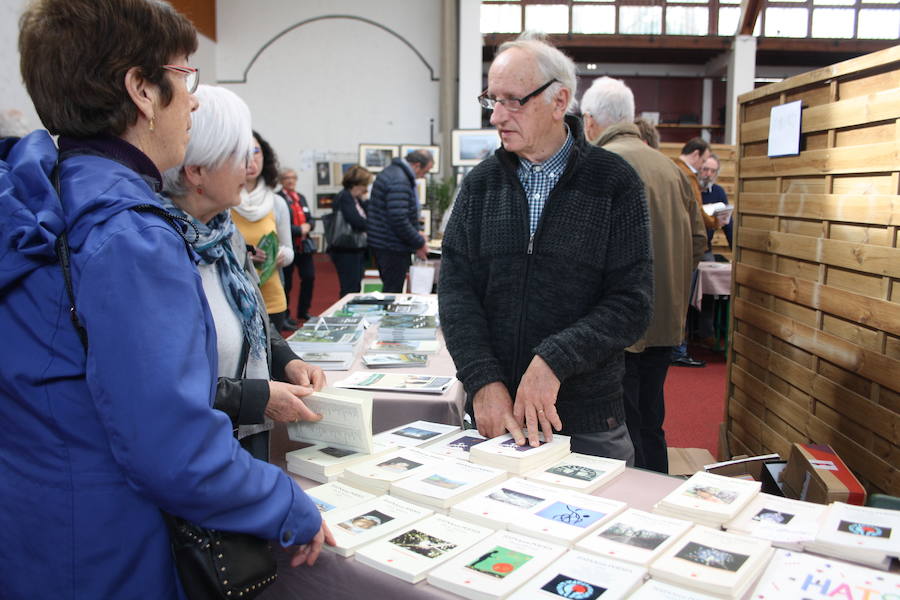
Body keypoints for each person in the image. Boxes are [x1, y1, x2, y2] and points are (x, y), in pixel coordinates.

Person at [0, 2, 331, 598]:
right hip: (108, 544)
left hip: (40, 524)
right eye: (186, 79)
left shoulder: (47, 192)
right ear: (142, 91)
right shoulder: (132, 233)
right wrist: (286, 504)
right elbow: (171, 447)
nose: (195, 101)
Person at [439, 35, 652, 463]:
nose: (497, 116)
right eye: (492, 100)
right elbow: (456, 293)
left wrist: (554, 359)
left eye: (513, 101)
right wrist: (482, 380)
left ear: (560, 102)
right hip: (494, 415)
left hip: (587, 422)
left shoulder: (614, 182)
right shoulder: (481, 185)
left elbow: (632, 303)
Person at [161, 85, 327, 462]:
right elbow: (162, 382)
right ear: (196, 171)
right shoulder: (159, 245)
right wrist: (257, 397)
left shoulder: (224, 231)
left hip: (244, 433)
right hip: (195, 449)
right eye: (238, 155)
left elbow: (250, 315)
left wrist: (286, 360)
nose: (249, 168)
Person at [581, 76, 707, 473]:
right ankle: (659, 492)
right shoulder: (672, 170)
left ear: (589, 120)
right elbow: (700, 240)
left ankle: (631, 507)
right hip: (666, 320)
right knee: (651, 419)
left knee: (617, 424)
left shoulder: (600, 167)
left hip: (617, 325)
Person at [234, 130, 296, 332]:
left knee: (273, 359)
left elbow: (289, 250)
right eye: (243, 154)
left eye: (256, 152)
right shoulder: (225, 201)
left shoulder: (276, 202)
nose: (251, 161)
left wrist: (279, 255)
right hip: (236, 296)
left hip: (271, 296)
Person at [367, 150, 433, 292]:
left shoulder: (395, 173)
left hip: (386, 243)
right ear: (416, 166)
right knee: (392, 291)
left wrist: (416, 234)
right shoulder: (400, 179)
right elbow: (399, 219)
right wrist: (419, 242)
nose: (423, 176)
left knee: (392, 288)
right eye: (425, 172)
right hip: (391, 246)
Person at [278, 167, 316, 322]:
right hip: (287, 245)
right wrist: (299, 229)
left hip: (304, 246)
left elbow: (309, 218)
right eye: (287, 177)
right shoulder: (278, 199)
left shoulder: (300, 197)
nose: (290, 180)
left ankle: (303, 310)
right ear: (281, 180)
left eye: (293, 177)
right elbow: (280, 224)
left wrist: (309, 226)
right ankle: (285, 315)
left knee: (309, 277)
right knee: (286, 283)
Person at [329, 165, 374, 297]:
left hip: (354, 248)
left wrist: (365, 201)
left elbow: (367, 215)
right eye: (365, 184)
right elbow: (357, 221)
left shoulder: (355, 198)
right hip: (346, 249)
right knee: (349, 288)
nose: (366, 188)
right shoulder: (345, 197)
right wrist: (371, 225)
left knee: (355, 285)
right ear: (357, 183)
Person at [699, 154, 733, 249]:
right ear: (699, 168)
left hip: (705, 248)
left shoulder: (718, 192)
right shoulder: (689, 188)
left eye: (713, 171)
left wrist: (735, 252)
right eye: (705, 169)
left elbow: (728, 224)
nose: (709, 174)